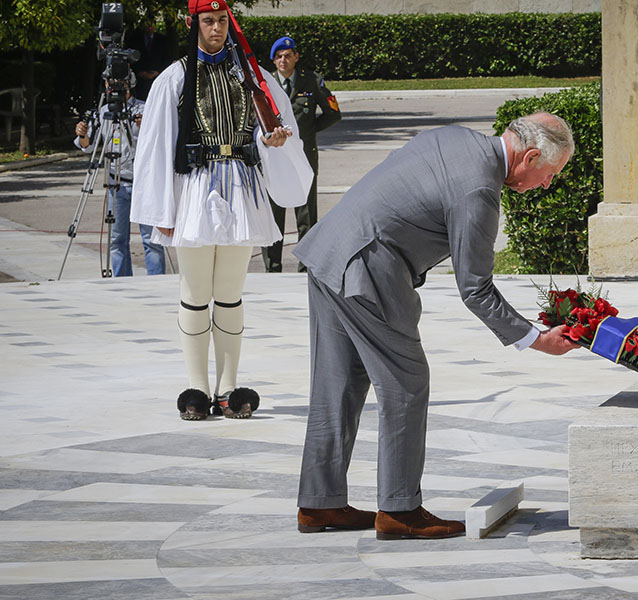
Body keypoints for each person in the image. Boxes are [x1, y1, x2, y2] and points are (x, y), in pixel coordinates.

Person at [293, 112, 579, 539]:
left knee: (337, 385)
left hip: (331, 249)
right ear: (531, 155)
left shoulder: (457, 137)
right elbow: (475, 288)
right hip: (369, 269)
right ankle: (400, 510)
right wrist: (535, 339)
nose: (547, 184)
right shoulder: (480, 188)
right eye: (550, 174)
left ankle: (320, 504)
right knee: (406, 383)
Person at [131, 0, 313, 421]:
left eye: (221, 21)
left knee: (229, 296)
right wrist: (161, 207)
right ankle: (196, 387)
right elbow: (156, 145)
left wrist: (273, 142)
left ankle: (228, 389)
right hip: (195, 190)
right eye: (208, 21)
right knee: (196, 296)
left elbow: (276, 129)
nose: (216, 28)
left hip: (241, 190)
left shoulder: (253, 77)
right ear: (195, 23)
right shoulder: (174, 77)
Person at [261, 36, 341, 273]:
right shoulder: (264, 84)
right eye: (278, 56)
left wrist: (304, 133)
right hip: (274, 157)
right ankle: (272, 266)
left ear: (296, 57)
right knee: (274, 212)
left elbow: (333, 113)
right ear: (273, 61)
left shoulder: (312, 81)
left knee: (306, 212)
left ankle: (306, 266)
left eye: (287, 55)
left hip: (303, 155)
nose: (282, 60)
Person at [74, 75, 165, 277]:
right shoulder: (105, 112)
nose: (114, 87)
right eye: (109, 82)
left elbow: (161, 141)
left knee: (152, 241)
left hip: (144, 185)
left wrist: (148, 126)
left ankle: (158, 283)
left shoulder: (144, 108)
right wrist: (82, 134)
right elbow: (89, 146)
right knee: (116, 240)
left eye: (119, 82)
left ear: (129, 83)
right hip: (117, 183)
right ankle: (122, 282)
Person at [128, 23, 172, 101]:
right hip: (140, 80)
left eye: (151, 26)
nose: (149, 28)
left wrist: (158, 72)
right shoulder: (136, 39)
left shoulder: (162, 40)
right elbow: (131, 57)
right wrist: (139, 72)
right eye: (148, 26)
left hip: (157, 77)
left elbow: (167, 58)